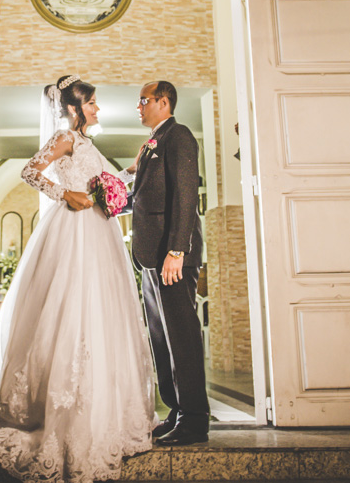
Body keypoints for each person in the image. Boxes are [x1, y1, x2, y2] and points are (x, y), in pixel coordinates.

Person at [0, 75, 155, 482]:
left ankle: (100, 412)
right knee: (68, 308)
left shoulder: (91, 146)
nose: (97, 109)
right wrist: (64, 194)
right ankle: (54, 411)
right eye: (92, 103)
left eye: (96, 103)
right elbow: (29, 170)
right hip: (72, 231)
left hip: (99, 234)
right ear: (75, 108)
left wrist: (133, 168)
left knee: (100, 314)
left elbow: (108, 188)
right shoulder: (65, 138)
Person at [131, 80, 209, 445]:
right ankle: (176, 410)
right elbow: (147, 197)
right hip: (152, 257)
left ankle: (195, 419)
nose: (139, 106)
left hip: (172, 257)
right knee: (161, 337)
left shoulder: (179, 137)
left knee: (182, 336)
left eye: (143, 100)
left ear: (163, 102)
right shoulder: (153, 143)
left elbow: (185, 195)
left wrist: (178, 250)